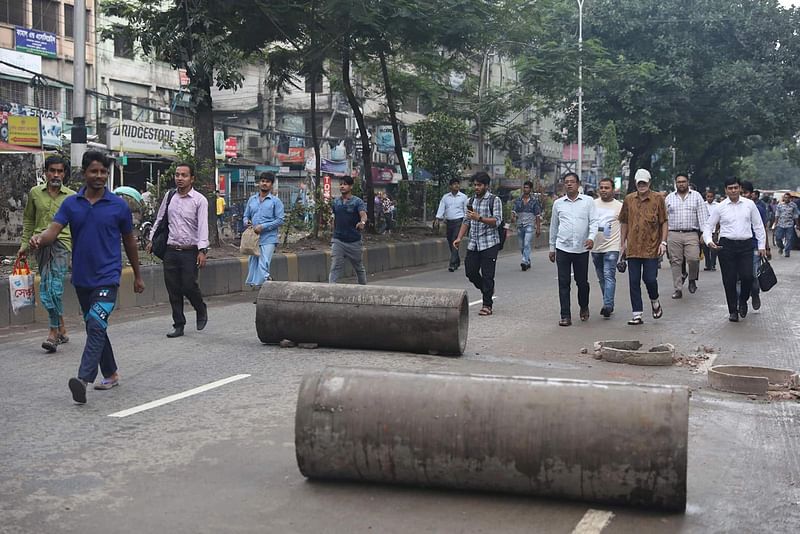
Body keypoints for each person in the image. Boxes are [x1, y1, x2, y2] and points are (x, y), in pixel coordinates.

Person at [29, 151, 145, 404]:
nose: (100, 176)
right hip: (82, 278)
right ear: (84, 173)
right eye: (95, 171)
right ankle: (112, 373)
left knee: (95, 322)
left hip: (108, 276)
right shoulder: (71, 204)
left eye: (104, 172)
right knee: (97, 326)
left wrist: (138, 275)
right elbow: (53, 231)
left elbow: (130, 242)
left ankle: (82, 379)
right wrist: (39, 240)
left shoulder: (118, 206)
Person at [18, 155, 76, 353]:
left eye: (60, 171)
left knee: (52, 287)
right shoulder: (35, 193)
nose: (56, 174)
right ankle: (61, 326)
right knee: (49, 285)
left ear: (65, 174)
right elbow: (28, 221)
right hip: (39, 246)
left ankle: (53, 333)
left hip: (62, 244)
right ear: (46, 172)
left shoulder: (72, 196)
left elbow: (77, 227)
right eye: (53, 170)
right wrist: (24, 245)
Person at [149, 163, 209, 338]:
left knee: (189, 285)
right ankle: (179, 324)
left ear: (192, 179)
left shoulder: (200, 200)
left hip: (190, 251)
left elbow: (203, 227)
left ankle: (200, 308)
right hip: (171, 250)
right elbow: (160, 219)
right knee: (173, 289)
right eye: (177, 175)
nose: (179, 178)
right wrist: (152, 239)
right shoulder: (169, 197)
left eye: (184, 175)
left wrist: (202, 250)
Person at [703, 177, 766, 322]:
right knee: (729, 280)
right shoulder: (720, 207)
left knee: (747, 277)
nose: (733, 190)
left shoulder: (749, 205)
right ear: (726, 190)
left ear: (740, 189)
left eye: (736, 188)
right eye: (730, 188)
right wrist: (709, 241)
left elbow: (758, 225)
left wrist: (761, 246)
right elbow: (708, 226)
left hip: (746, 245)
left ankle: (743, 301)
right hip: (727, 247)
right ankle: (733, 310)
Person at [619, 169, 668, 325]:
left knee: (649, 278)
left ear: (649, 183)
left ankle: (654, 300)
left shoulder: (658, 199)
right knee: (633, 280)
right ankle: (637, 313)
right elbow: (624, 221)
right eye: (639, 183)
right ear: (635, 183)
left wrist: (663, 242)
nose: (642, 186)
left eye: (644, 183)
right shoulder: (629, 199)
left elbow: (664, 222)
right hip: (633, 247)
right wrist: (622, 244)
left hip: (651, 247)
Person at [548, 172, 597, 326]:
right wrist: (552, 247)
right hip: (563, 247)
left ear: (578, 184)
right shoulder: (558, 204)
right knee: (563, 282)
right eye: (566, 182)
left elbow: (594, 222)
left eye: (572, 182)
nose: (569, 184)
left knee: (582, 282)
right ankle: (565, 315)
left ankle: (584, 306)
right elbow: (554, 226)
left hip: (581, 249)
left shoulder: (588, 202)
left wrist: (591, 238)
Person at [453, 172, 503, 317]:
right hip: (474, 243)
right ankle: (486, 289)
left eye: (479, 185)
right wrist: (459, 238)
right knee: (470, 271)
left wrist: (480, 218)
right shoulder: (470, 201)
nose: (476, 187)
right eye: (475, 185)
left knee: (488, 275)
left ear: (486, 186)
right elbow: (466, 221)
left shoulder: (495, 200)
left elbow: (497, 221)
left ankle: (487, 305)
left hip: (489, 243)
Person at [664, 173, 709, 299]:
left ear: (688, 182)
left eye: (683, 181)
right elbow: (664, 219)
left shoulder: (696, 197)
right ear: (675, 183)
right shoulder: (669, 198)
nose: (681, 184)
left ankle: (692, 279)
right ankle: (677, 289)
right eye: (679, 182)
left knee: (694, 258)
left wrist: (704, 234)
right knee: (675, 262)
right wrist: (664, 237)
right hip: (673, 234)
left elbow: (703, 217)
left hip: (691, 233)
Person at [243, 173, 285, 293]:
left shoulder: (276, 201)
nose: (264, 183)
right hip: (254, 238)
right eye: (262, 181)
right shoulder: (252, 200)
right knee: (253, 264)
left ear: (271, 185)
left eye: (267, 181)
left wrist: (264, 227)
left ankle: (268, 284)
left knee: (263, 263)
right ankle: (264, 289)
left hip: (269, 238)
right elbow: (246, 215)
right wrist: (246, 221)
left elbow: (280, 220)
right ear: (259, 183)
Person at [591, 177, 623, 318]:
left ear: (613, 190)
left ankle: (608, 305)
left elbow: (625, 227)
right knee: (601, 277)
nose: (603, 190)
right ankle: (608, 301)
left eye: (607, 188)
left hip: (612, 246)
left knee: (609, 275)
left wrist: (624, 246)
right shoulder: (592, 205)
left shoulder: (620, 206)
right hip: (596, 247)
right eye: (601, 187)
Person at [329, 176, 368, 285]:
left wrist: (362, 223)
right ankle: (330, 290)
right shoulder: (336, 202)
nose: (342, 186)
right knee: (335, 266)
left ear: (351, 186)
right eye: (341, 184)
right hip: (338, 240)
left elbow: (363, 215)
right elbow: (334, 217)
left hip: (354, 241)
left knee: (359, 268)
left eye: (345, 184)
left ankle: (363, 290)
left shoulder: (357, 202)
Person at [741, 181, 771, 311]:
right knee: (738, 277)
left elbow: (762, 229)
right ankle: (740, 303)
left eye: (745, 193)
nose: (742, 195)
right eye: (740, 192)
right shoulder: (730, 208)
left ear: (751, 194)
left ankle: (755, 293)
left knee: (753, 275)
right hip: (738, 248)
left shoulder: (758, 209)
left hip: (754, 247)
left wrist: (766, 247)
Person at [434, 177, 468, 272]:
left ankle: (452, 264)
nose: (456, 185)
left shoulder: (463, 197)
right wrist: (438, 218)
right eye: (454, 184)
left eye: (458, 184)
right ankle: (456, 260)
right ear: (450, 186)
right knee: (450, 241)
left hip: (459, 221)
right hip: (449, 222)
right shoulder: (445, 197)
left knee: (455, 240)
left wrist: (466, 222)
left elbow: (466, 210)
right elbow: (441, 208)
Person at [510, 181, 542, 271]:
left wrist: (538, 228)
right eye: (524, 187)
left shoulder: (534, 202)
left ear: (530, 189)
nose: (525, 189)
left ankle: (524, 261)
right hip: (520, 225)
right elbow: (513, 211)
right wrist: (512, 217)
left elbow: (538, 216)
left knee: (527, 243)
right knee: (521, 246)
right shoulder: (518, 200)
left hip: (530, 225)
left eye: (527, 187)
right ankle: (527, 260)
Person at [773, 192, 799, 257]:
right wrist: (775, 224)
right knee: (778, 238)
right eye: (785, 197)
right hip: (780, 224)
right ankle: (781, 247)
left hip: (789, 224)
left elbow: (796, 215)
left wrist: (797, 224)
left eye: (788, 198)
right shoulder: (779, 205)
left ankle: (787, 252)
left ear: (790, 198)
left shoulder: (793, 205)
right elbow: (777, 215)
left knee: (789, 239)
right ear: (783, 198)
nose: (786, 199)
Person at [701, 189, 719, 271]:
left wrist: (716, 232)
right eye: (708, 197)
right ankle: (707, 264)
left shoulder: (718, 206)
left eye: (711, 197)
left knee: (714, 248)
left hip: (714, 230)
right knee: (705, 249)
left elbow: (719, 220)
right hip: (705, 230)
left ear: (714, 197)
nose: (709, 198)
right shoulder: (702, 205)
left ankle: (713, 264)